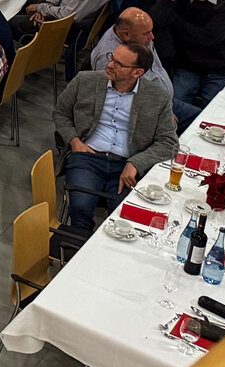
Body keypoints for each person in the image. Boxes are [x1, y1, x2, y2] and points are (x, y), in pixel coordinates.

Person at [55, 42, 178, 230]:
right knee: (80, 207)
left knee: (123, 215)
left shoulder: (157, 97)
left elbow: (169, 142)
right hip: (88, 156)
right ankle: (77, 250)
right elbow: (60, 112)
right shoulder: (85, 81)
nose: (110, 65)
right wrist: (74, 140)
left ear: (138, 73)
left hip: (126, 162)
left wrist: (137, 162)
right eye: (112, 59)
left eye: (119, 64)